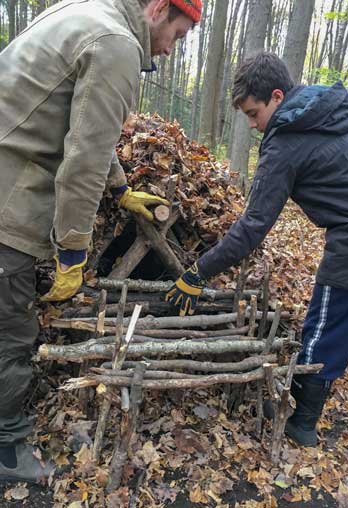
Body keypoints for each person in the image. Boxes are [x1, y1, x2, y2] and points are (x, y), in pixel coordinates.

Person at [0, 0, 202, 482]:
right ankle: (7, 448)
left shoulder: (83, 13)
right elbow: (81, 162)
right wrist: (73, 252)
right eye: (176, 33)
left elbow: (84, 126)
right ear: (157, 8)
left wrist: (121, 190)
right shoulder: (117, 45)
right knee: (12, 333)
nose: (172, 50)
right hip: (9, 198)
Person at [167, 52, 348, 448]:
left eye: (254, 114)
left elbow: (253, 226)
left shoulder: (285, 142)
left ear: (277, 96)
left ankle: (300, 422)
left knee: (324, 331)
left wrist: (198, 272)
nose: (254, 126)